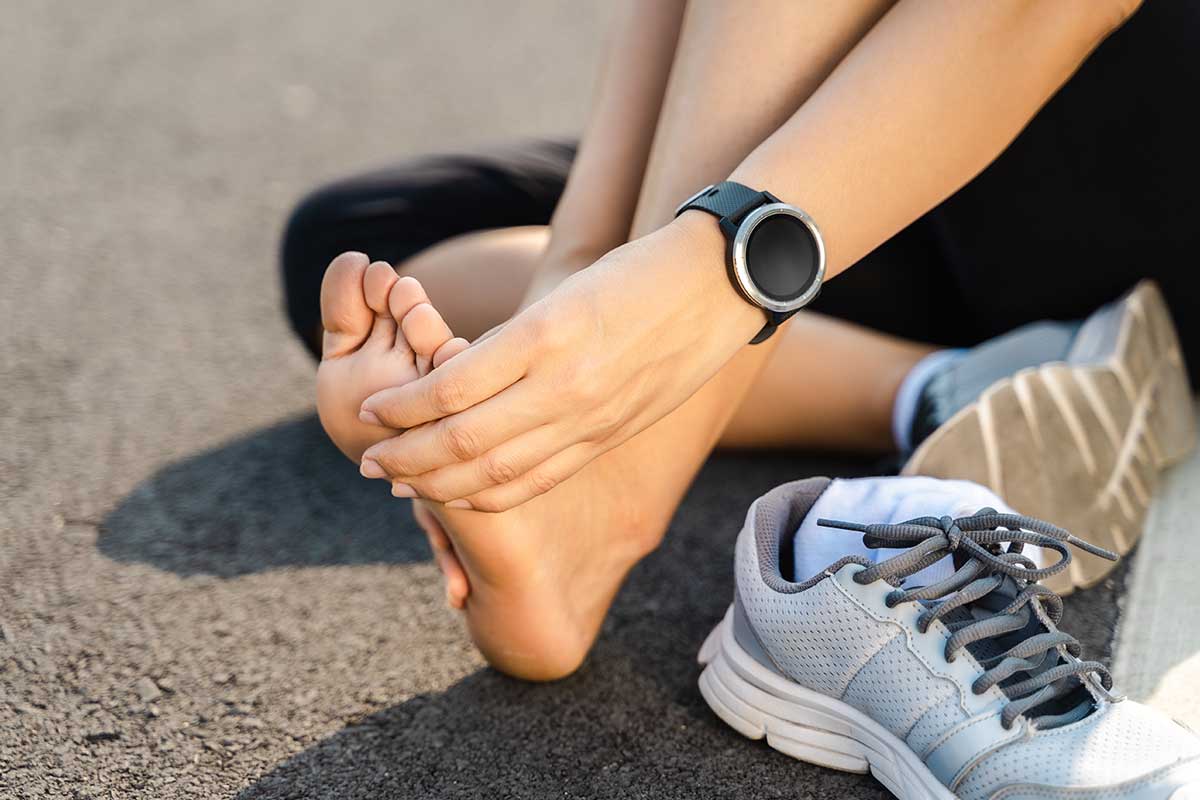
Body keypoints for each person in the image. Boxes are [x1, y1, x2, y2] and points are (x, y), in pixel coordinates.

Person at [282, 0, 1198, 681]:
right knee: (369, 241)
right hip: (943, 144)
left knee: (454, 325)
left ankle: (619, 486)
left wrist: (710, 272)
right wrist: (582, 264)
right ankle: (956, 384)